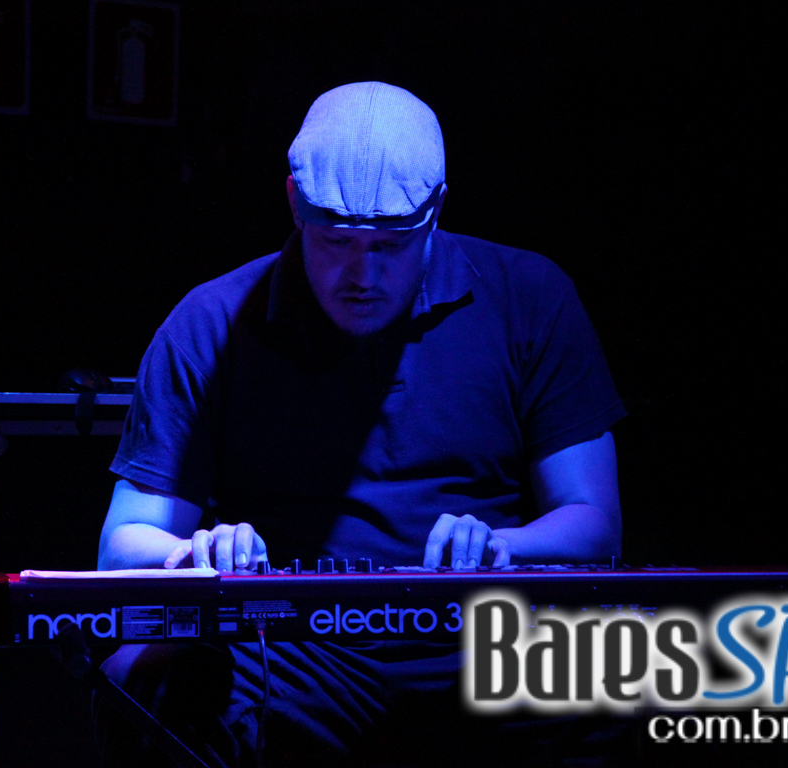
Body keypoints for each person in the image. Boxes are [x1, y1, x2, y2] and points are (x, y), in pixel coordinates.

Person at [95, 82, 629, 768]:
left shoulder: (530, 296)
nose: (362, 274)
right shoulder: (211, 321)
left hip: (481, 636)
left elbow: (594, 523)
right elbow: (123, 544)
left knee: (618, 678)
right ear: (294, 202)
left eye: (391, 245)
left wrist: (502, 546)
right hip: (291, 647)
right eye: (336, 241)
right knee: (143, 678)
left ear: (437, 209)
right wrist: (196, 554)